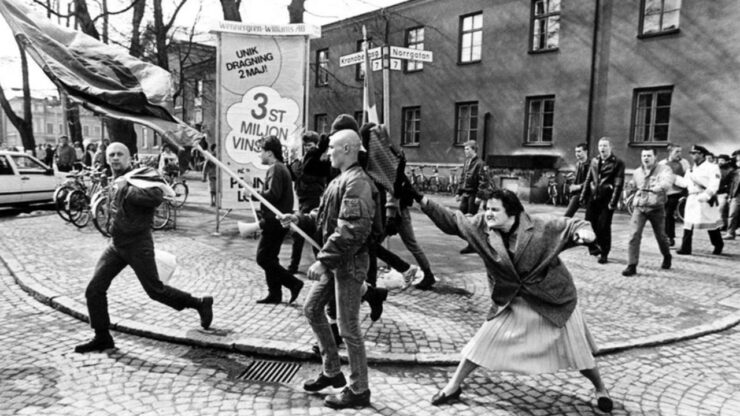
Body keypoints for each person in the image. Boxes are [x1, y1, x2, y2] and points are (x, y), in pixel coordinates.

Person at [396, 179, 613, 413]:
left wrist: (586, 234)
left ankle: (601, 388)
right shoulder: (481, 226)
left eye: (494, 209)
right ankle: (453, 386)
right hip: (511, 299)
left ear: (512, 213)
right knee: (481, 342)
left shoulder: (539, 226)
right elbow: (452, 221)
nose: (487, 213)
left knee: (577, 351)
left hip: (553, 299)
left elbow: (575, 224)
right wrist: (420, 198)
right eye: (486, 208)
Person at [74, 143, 213, 353]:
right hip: (117, 245)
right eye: (111, 155)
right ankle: (102, 336)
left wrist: (127, 190)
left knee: (155, 291)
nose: (115, 158)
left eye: (120, 154)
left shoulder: (140, 176)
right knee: (94, 289)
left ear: (129, 158)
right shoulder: (114, 179)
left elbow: (156, 196)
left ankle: (199, 303)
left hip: (138, 244)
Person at [280, 130, 378, 409]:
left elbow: (351, 229)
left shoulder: (358, 182)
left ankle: (359, 389)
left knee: (349, 329)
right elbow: (323, 217)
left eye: (332, 147)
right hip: (337, 261)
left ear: (347, 148)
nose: (327, 152)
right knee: (312, 309)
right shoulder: (339, 180)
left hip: (348, 262)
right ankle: (332, 372)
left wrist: (323, 260)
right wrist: (297, 217)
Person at [254, 135, 304, 304]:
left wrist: (254, 194)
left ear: (269, 152)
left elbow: (273, 195)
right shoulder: (281, 168)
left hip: (274, 222)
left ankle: (293, 283)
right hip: (278, 221)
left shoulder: (275, 169)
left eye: (261, 151)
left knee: (262, 258)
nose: (259, 155)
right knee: (271, 258)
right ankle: (274, 293)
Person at [622, 149, 673, 276]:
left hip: (656, 208)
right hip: (640, 207)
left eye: (649, 155)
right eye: (643, 155)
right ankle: (631, 265)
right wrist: (628, 189)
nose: (646, 158)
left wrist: (657, 187)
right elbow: (633, 186)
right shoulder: (637, 172)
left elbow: (667, 183)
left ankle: (667, 255)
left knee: (661, 236)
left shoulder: (664, 169)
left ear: (655, 156)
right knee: (634, 234)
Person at [287, 131, 331, 275]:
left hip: (313, 198)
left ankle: (298, 265)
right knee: (310, 232)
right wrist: (292, 165)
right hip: (302, 198)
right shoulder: (306, 158)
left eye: (310, 145)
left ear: (316, 144)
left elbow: (309, 175)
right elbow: (296, 176)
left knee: (303, 232)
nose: (307, 148)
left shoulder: (317, 158)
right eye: (305, 146)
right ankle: (321, 262)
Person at [579, 137, 625, 263]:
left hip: (607, 200)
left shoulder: (618, 163)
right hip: (593, 198)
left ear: (610, 147)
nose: (602, 148)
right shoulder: (594, 161)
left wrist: (613, 202)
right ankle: (593, 247)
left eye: (605, 146)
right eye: (600, 146)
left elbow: (618, 184)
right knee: (588, 224)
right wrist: (583, 195)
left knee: (604, 226)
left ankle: (604, 252)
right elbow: (589, 179)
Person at [676, 145, 724, 255]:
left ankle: (718, 244)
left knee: (710, 223)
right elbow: (685, 183)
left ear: (702, 154)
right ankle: (685, 247)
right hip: (692, 197)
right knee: (688, 223)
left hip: (705, 198)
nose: (693, 155)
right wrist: (674, 178)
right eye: (691, 153)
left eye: (695, 153)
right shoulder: (691, 169)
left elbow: (714, 185)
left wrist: (706, 196)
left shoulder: (712, 167)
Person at [457, 140, 488, 254]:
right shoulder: (467, 162)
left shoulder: (480, 163)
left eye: (467, 149)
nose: (465, 151)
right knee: (459, 217)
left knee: (472, 220)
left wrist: (479, 196)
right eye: (464, 149)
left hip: (474, 195)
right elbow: (463, 177)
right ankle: (474, 241)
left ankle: (472, 245)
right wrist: (459, 192)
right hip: (466, 193)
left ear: (474, 149)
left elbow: (483, 181)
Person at [659, 144, 691, 246]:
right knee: (663, 215)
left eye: (680, 151)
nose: (679, 154)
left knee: (669, 214)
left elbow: (689, 177)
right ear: (670, 152)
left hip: (677, 192)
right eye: (677, 152)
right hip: (664, 193)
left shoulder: (684, 162)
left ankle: (670, 237)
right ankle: (664, 236)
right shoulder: (662, 163)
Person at [564, 143, 590, 218]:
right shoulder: (578, 164)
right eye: (576, 152)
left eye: (579, 151)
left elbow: (592, 181)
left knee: (590, 219)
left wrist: (578, 186)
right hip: (578, 194)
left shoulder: (592, 165)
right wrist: (572, 186)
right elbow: (577, 179)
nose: (577, 154)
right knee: (567, 215)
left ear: (585, 152)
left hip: (589, 194)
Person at [724, 150, 740, 240]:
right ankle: (730, 233)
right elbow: (732, 185)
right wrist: (730, 196)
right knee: (732, 214)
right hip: (736, 196)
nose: (738, 162)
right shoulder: (735, 172)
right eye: (737, 160)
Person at [717, 154, 735, 231]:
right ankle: (722, 225)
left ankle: (723, 225)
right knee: (719, 210)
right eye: (719, 160)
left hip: (724, 193)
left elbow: (731, 183)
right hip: (717, 193)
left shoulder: (730, 170)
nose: (720, 162)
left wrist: (728, 193)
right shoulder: (716, 169)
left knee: (721, 210)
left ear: (727, 161)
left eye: (722, 160)